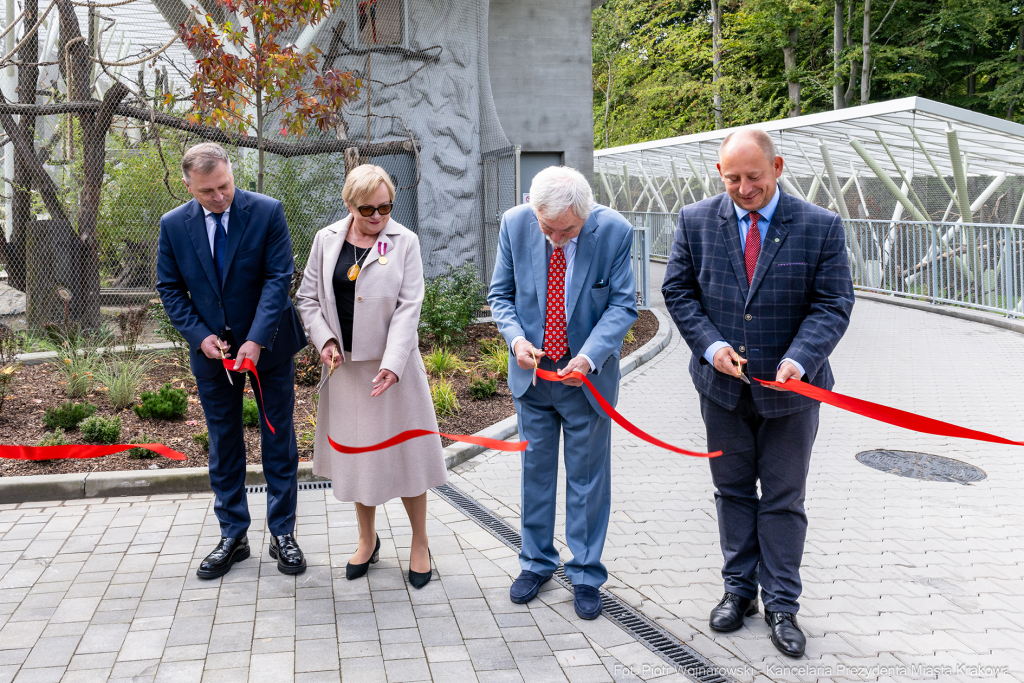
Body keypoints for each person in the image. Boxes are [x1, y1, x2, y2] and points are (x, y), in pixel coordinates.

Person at [661, 129, 855, 657]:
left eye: (753, 177)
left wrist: (800, 359)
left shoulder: (819, 226)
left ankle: (783, 604)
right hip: (722, 392)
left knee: (785, 498)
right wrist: (710, 346)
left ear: (778, 167)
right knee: (732, 493)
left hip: (792, 394)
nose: (743, 189)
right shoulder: (696, 220)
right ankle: (738, 590)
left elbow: (833, 302)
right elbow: (678, 291)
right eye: (732, 179)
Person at [488, 166, 637, 620]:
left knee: (587, 482)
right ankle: (535, 563)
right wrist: (515, 341)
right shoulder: (515, 223)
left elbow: (622, 304)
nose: (554, 238)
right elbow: (501, 296)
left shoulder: (614, 231)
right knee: (535, 475)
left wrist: (588, 358)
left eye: (566, 230)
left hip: (584, 382)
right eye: (546, 227)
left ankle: (586, 573)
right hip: (533, 380)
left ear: (585, 216)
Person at [157, 142, 309, 579]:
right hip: (213, 355)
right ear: (189, 186)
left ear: (230, 174)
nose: (219, 196)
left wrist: (257, 339)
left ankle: (283, 534)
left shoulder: (266, 212)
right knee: (224, 443)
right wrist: (201, 337)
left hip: (270, 349)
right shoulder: (173, 225)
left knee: (277, 438)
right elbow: (169, 288)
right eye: (208, 192)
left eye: (224, 185)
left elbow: (278, 277)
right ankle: (233, 535)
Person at [295, 164, 446, 588]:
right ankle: (367, 540)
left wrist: (393, 364)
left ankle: (419, 542)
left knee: (407, 459)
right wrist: (324, 340)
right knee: (361, 462)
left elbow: (409, 306)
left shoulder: (405, 242)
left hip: (393, 373)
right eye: (368, 209)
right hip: (345, 372)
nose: (378, 217)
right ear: (350, 204)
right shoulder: (326, 241)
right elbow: (307, 298)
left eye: (386, 207)